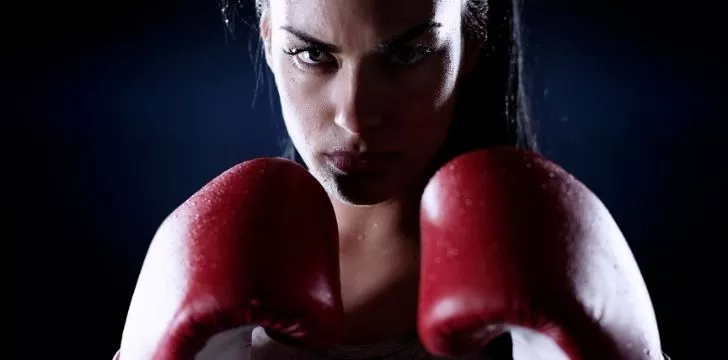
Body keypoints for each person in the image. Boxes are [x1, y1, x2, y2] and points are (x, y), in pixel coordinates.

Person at [114, 0, 669, 358]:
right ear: (267, 40)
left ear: (470, 42)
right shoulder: (219, 253)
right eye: (312, 54)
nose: (355, 116)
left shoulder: (544, 255)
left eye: (407, 56)